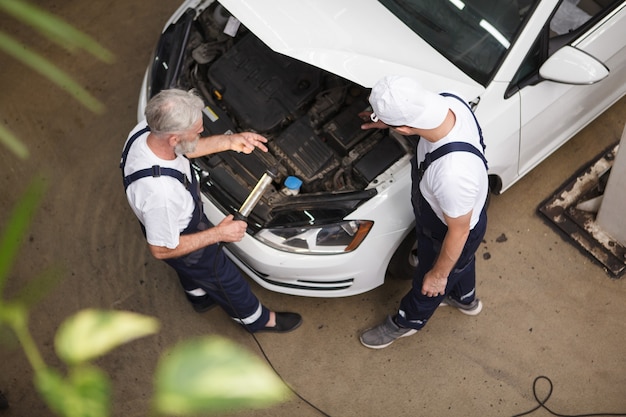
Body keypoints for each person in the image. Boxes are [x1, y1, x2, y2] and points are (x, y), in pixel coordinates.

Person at [120, 88, 302, 333]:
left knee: (188, 269)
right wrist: (219, 234)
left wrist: (229, 141)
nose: (202, 132)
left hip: (167, 225)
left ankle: (199, 298)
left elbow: (185, 148)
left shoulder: (146, 131)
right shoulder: (161, 193)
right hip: (179, 238)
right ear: (173, 138)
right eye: (197, 131)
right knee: (225, 278)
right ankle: (258, 320)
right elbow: (162, 248)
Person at [359, 76, 488, 349]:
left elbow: (460, 231)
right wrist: (387, 119)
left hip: (451, 231)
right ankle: (465, 299)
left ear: (405, 128)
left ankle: (407, 322)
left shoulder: (452, 173)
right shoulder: (449, 99)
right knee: (462, 261)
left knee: (428, 283)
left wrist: (439, 275)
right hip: (461, 217)